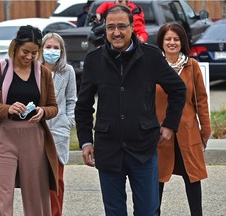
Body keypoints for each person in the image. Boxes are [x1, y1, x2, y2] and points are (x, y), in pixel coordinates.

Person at [75, 5, 186, 216]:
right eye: (110, 27)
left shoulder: (151, 56)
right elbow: (83, 106)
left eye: (121, 26)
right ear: (105, 29)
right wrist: (86, 141)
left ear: (132, 27)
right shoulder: (94, 60)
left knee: (147, 211)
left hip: (143, 147)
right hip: (108, 150)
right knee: (114, 211)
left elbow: (178, 89)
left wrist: (170, 125)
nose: (116, 32)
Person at [0, 25, 59, 215]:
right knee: (2, 197)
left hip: (34, 137)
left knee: (36, 195)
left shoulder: (43, 73)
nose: (29, 57)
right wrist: (7, 109)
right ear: (15, 46)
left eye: (34, 53)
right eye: (25, 51)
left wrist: (43, 111)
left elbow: (54, 107)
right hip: (3, 136)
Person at [156, 23, 212, 216]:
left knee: (192, 178)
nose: (172, 43)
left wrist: (205, 130)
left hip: (188, 132)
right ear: (161, 42)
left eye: (176, 39)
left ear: (182, 42)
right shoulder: (153, 66)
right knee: (157, 180)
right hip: (160, 134)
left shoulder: (192, 66)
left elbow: (201, 100)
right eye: (168, 39)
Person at [42, 32, 77, 216]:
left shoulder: (67, 71)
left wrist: (67, 121)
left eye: (56, 48)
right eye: (48, 47)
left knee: (56, 180)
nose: (52, 51)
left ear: (62, 51)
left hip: (58, 132)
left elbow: (71, 100)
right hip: (36, 131)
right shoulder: (34, 70)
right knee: (38, 181)